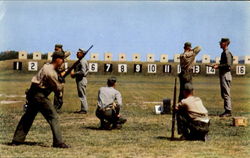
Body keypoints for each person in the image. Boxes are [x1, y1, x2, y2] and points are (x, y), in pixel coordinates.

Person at [11, 51, 70, 148]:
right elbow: (58, 88)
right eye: (62, 59)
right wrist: (62, 82)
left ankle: (17, 140)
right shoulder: (51, 72)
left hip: (33, 94)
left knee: (28, 117)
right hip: (40, 96)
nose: (63, 61)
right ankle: (58, 142)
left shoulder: (47, 66)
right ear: (58, 59)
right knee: (53, 117)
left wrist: (59, 74)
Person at [213, 38, 233, 117]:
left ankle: (228, 111)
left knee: (226, 93)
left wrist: (218, 66)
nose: (220, 44)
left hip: (225, 74)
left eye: (221, 43)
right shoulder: (224, 53)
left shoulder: (227, 53)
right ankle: (227, 110)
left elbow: (228, 65)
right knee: (224, 93)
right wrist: (218, 66)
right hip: (224, 74)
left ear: (225, 43)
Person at [53, 44, 71, 112]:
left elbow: (66, 70)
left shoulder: (64, 60)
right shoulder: (55, 58)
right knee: (56, 93)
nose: (55, 51)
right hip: (54, 76)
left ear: (60, 49)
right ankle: (55, 107)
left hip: (60, 77)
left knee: (59, 94)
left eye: (56, 49)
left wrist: (61, 75)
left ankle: (58, 107)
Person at [71, 49, 89, 114]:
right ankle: (83, 109)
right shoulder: (81, 61)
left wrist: (74, 74)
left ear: (81, 54)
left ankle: (84, 109)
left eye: (78, 53)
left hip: (81, 79)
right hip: (81, 79)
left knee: (82, 95)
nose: (76, 54)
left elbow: (83, 72)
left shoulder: (82, 61)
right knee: (82, 94)